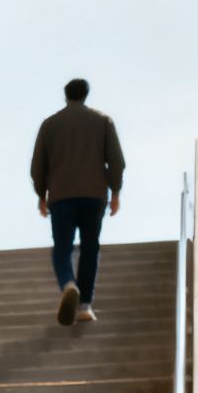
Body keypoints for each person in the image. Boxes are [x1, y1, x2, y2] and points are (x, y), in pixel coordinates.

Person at [30, 77, 125, 325]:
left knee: (62, 247)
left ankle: (68, 283)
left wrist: (41, 194)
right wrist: (115, 191)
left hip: (61, 196)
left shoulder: (50, 125)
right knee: (90, 247)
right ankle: (85, 305)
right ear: (86, 94)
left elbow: (38, 164)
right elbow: (116, 160)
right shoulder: (102, 121)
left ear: (66, 95)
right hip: (94, 195)